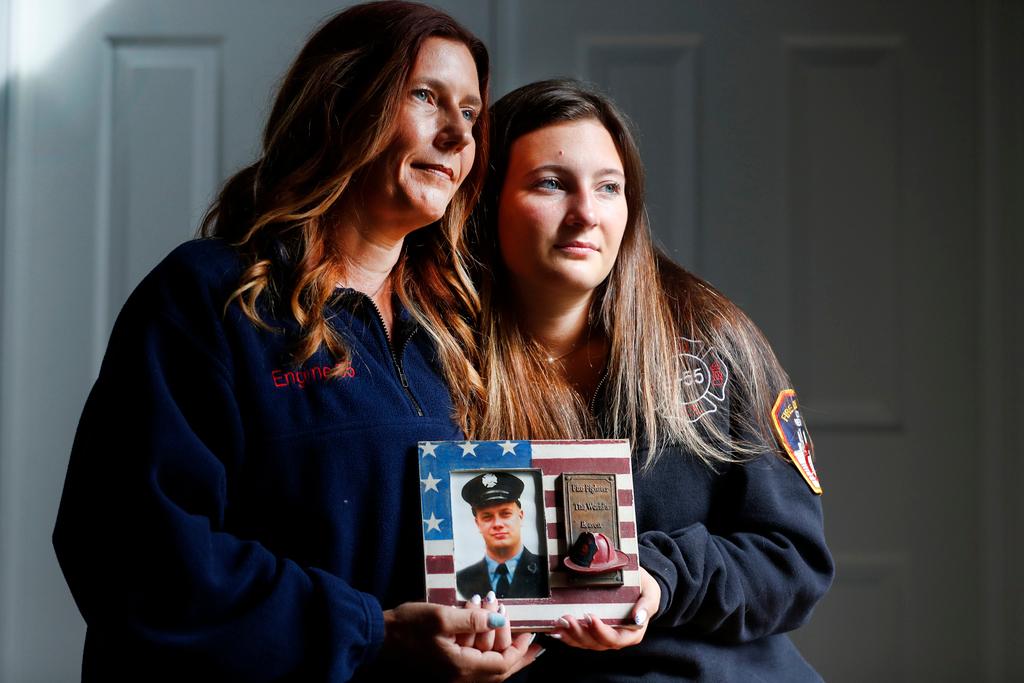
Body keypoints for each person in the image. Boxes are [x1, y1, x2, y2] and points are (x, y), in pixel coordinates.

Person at [51, 3, 540, 681]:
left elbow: (491, 551)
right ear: (343, 104)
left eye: (470, 112)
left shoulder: (459, 330)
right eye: (426, 97)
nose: (459, 134)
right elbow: (133, 554)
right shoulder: (208, 299)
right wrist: (372, 632)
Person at [460, 79, 835, 681]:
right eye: (551, 184)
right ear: (484, 201)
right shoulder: (442, 363)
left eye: (609, 188)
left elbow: (794, 562)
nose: (586, 213)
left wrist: (658, 578)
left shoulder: (709, 344)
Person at [456, 472, 548, 600]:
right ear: (477, 523)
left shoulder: (546, 568)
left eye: (505, 514)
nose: (497, 524)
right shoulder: (462, 580)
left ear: (520, 516)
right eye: (487, 517)